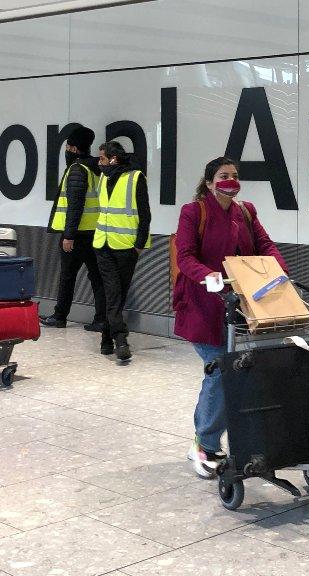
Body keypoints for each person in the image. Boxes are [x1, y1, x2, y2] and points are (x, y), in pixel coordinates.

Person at [173, 156, 287, 478]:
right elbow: (184, 256)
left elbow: (264, 244)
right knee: (221, 370)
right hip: (202, 306)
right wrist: (207, 275)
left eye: (234, 175)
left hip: (239, 305)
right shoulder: (194, 212)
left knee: (233, 372)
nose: (230, 181)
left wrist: (277, 269)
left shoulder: (246, 212)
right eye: (223, 176)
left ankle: (216, 437)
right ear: (209, 182)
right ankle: (204, 445)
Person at [40, 125, 106, 332]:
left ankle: (60, 316)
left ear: (75, 148)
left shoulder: (77, 169)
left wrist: (68, 235)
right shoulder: (96, 168)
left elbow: (75, 205)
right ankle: (101, 319)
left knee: (67, 276)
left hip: (76, 235)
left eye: (68, 146)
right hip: (94, 232)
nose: (66, 150)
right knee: (97, 277)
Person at [92, 140, 151, 362]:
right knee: (113, 293)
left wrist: (138, 245)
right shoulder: (102, 178)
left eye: (102, 158)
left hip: (127, 247)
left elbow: (145, 215)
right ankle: (121, 339)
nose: (99, 162)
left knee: (118, 294)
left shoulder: (135, 178)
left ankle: (106, 338)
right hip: (102, 245)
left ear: (113, 159)